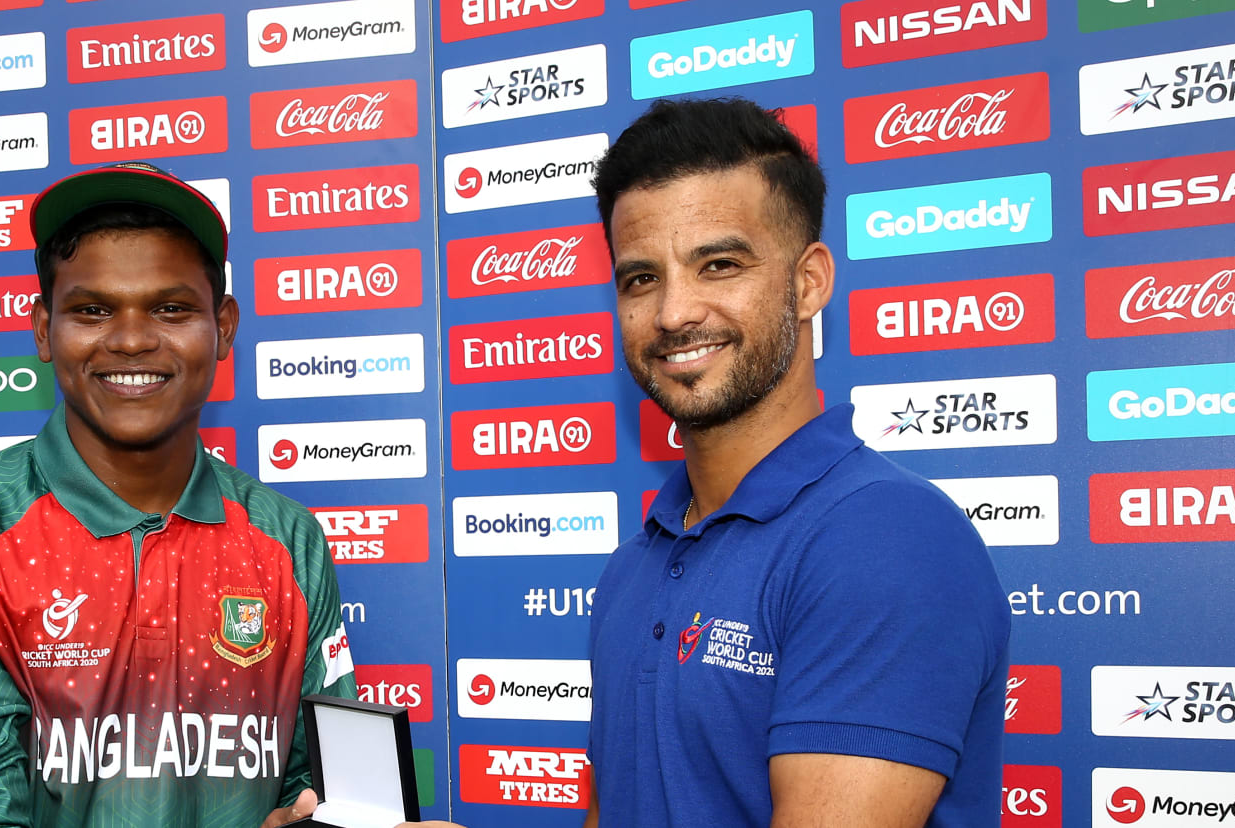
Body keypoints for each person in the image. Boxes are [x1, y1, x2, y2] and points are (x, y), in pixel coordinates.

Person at [399, 98, 1009, 828]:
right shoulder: (639, 561)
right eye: (640, 278)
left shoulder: (889, 541)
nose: (673, 313)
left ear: (810, 281)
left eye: (719, 265)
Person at [0, 161, 358, 828]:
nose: (132, 339)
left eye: (171, 308)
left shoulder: (289, 537)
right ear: (44, 329)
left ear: (223, 327)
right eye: (93, 309)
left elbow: (328, 786)